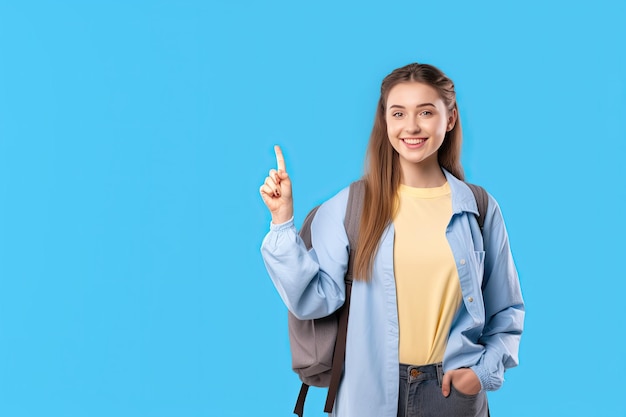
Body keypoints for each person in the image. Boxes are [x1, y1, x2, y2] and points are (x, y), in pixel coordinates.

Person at [259, 63, 524, 417]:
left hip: (452, 395)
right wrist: (281, 222)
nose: (411, 126)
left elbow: (507, 310)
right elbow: (312, 301)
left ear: (450, 117)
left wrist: (480, 374)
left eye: (426, 112)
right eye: (398, 113)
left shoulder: (478, 208)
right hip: (367, 393)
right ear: (385, 121)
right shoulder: (350, 207)